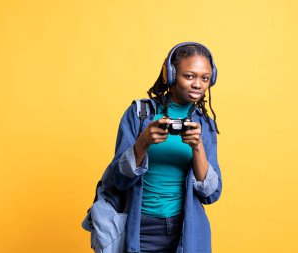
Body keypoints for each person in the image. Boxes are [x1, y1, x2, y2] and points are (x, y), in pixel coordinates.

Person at [86, 42, 222, 253]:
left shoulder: (204, 123)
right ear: (170, 75)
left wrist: (198, 147)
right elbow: (119, 181)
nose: (198, 84)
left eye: (204, 78)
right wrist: (143, 142)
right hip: (141, 226)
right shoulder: (139, 114)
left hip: (185, 228)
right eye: (189, 76)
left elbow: (211, 194)